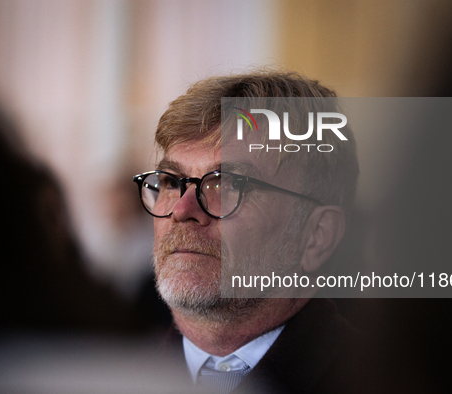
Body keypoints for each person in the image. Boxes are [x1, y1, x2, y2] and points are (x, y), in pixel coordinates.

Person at [133, 71, 382, 394]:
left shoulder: (385, 381)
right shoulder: (102, 377)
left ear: (317, 235)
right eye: (170, 181)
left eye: (230, 183)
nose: (182, 210)